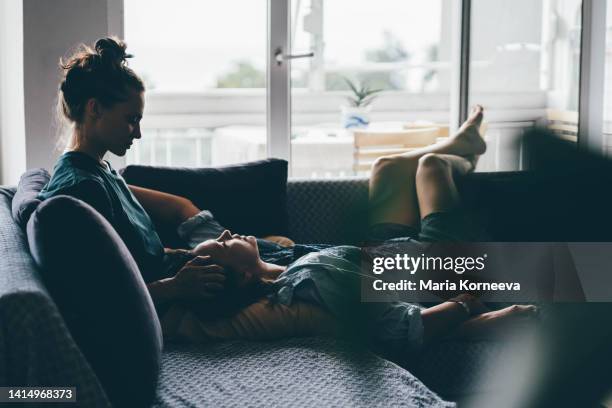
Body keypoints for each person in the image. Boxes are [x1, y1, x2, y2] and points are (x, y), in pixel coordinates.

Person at [40, 37, 538, 362]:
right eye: (130, 119)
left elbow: (179, 208)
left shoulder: (100, 173)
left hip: (332, 257)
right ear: (93, 109)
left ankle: (458, 151)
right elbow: (92, 300)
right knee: (435, 190)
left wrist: (210, 244)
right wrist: (173, 286)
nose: (139, 132)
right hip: (376, 270)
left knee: (387, 171)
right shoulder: (75, 195)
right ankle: (457, 162)